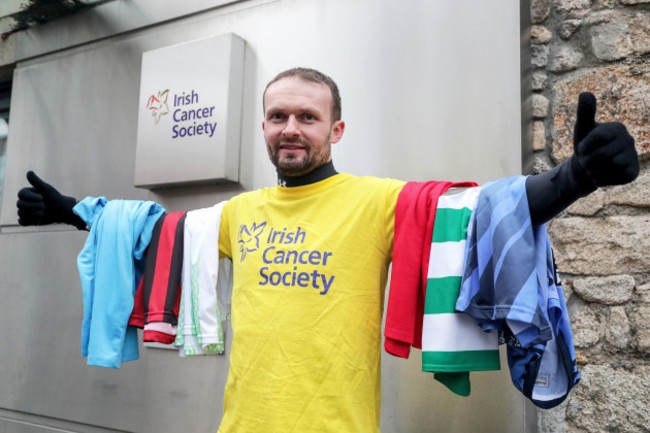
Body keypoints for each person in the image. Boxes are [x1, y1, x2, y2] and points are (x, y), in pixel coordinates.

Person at [16, 67, 639, 432]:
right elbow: (162, 235)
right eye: (279, 115)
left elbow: (474, 215)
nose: (292, 127)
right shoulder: (239, 213)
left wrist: (573, 178)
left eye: (308, 117)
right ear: (263, 127)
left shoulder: (376, 201)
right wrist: (76, 211)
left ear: (335, 129)